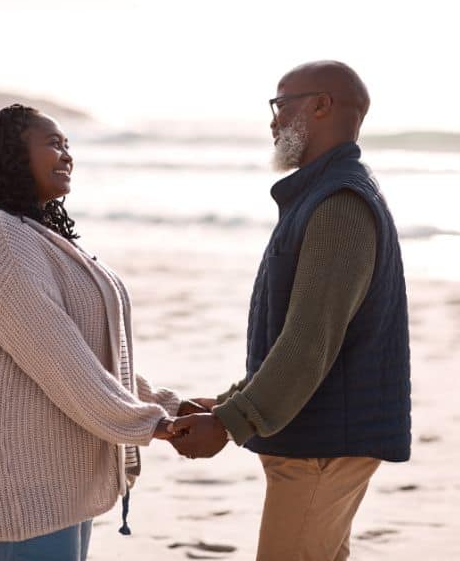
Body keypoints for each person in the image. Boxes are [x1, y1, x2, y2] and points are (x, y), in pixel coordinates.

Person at [0, 104, 215, 561]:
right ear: (11, 154)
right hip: (16, 476)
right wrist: (158, 425)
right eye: (52, 143)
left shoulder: (34, 234)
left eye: (68, 145)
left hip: (54, 469)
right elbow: (63, 361)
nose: (66, 155)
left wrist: (168, 403)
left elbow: (89, 353)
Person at [174, 61, 411, 561]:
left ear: (322, 105)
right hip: (316, 438)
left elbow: (309, 343)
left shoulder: (340, 204)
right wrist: (225, 403)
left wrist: (231, 422)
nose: (273, 120)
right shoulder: (320, 196)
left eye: (281, 104)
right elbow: (295, 337)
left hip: (323, 445)